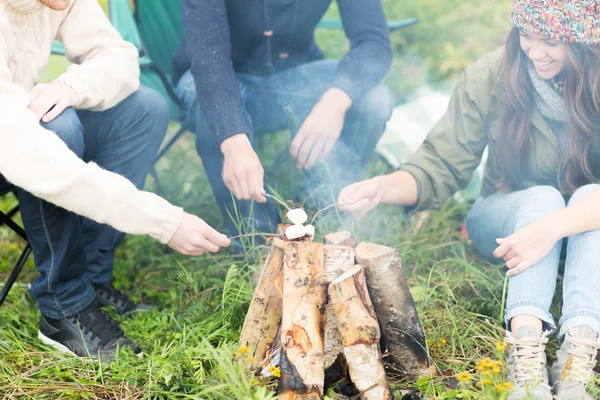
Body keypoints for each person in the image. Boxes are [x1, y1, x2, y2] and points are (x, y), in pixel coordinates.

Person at [338, 0, 600, 398]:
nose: (534, 52)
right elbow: (442, 162)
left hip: (581, 227)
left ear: (583, 41)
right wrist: (383, 187)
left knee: (590, 197)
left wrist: (550, 229)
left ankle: (576, 365)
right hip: (504, 217)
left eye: (549, 41)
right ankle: (526, 359)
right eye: (525, 37)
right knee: (543, 197)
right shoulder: (493, 75)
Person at [0, 0, 230, 359]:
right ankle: (64, 305)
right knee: (55, 127)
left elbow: (120, 56)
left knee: (145, 109)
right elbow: (35, 156)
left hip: (20, 133)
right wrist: (163, 221)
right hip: (14, 146)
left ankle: (90, 274)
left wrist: (70, 86)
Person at [171, 0, 394, 239]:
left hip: (296, 77)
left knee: (375, 99)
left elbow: (374, 43)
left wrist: (336, 100)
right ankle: (258, 241)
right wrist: (232, 137)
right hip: (223, 78)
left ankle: (320, 213)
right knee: (202, 97)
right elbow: (208, 58)